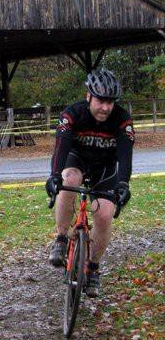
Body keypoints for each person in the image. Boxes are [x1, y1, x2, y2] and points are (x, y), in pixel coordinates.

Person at [45, 67, 134, 298]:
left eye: (110, 102)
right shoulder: (73, 113)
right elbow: (61, 145)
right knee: (69, 180)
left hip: (104, 169)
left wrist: (123, 183)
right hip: (77, 160)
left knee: (104, 215)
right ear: (88, 96)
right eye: (101, 101)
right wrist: (54, 175)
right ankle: (61, 238)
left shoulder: (122, 118)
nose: (106, 107)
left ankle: (93, 267)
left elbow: (125, 154)